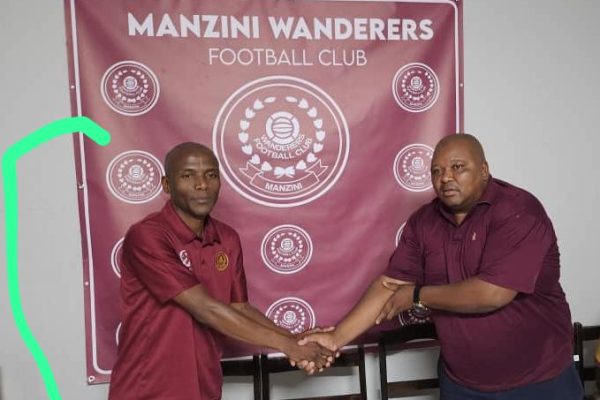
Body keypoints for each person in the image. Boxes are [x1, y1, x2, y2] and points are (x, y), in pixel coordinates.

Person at [301, 134, 583, 399]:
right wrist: (335, 338)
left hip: (539, 380)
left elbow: (492, 293)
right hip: (462, 383)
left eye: (458, 167)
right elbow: (389, 286)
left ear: (484, 170)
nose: (445, 177)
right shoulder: (423, 222)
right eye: (436, 171)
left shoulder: (518, 211)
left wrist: (417, 295)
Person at [108, 142, 332, 400]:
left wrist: (297, 341)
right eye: (188, 176)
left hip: (205, 387)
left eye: (211, 175)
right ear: (167, 185)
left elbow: (240, 308)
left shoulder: (226, 238)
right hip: (147, 390)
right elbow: (206, 309)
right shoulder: (147, 236)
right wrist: (288, 345)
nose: (202, 184)